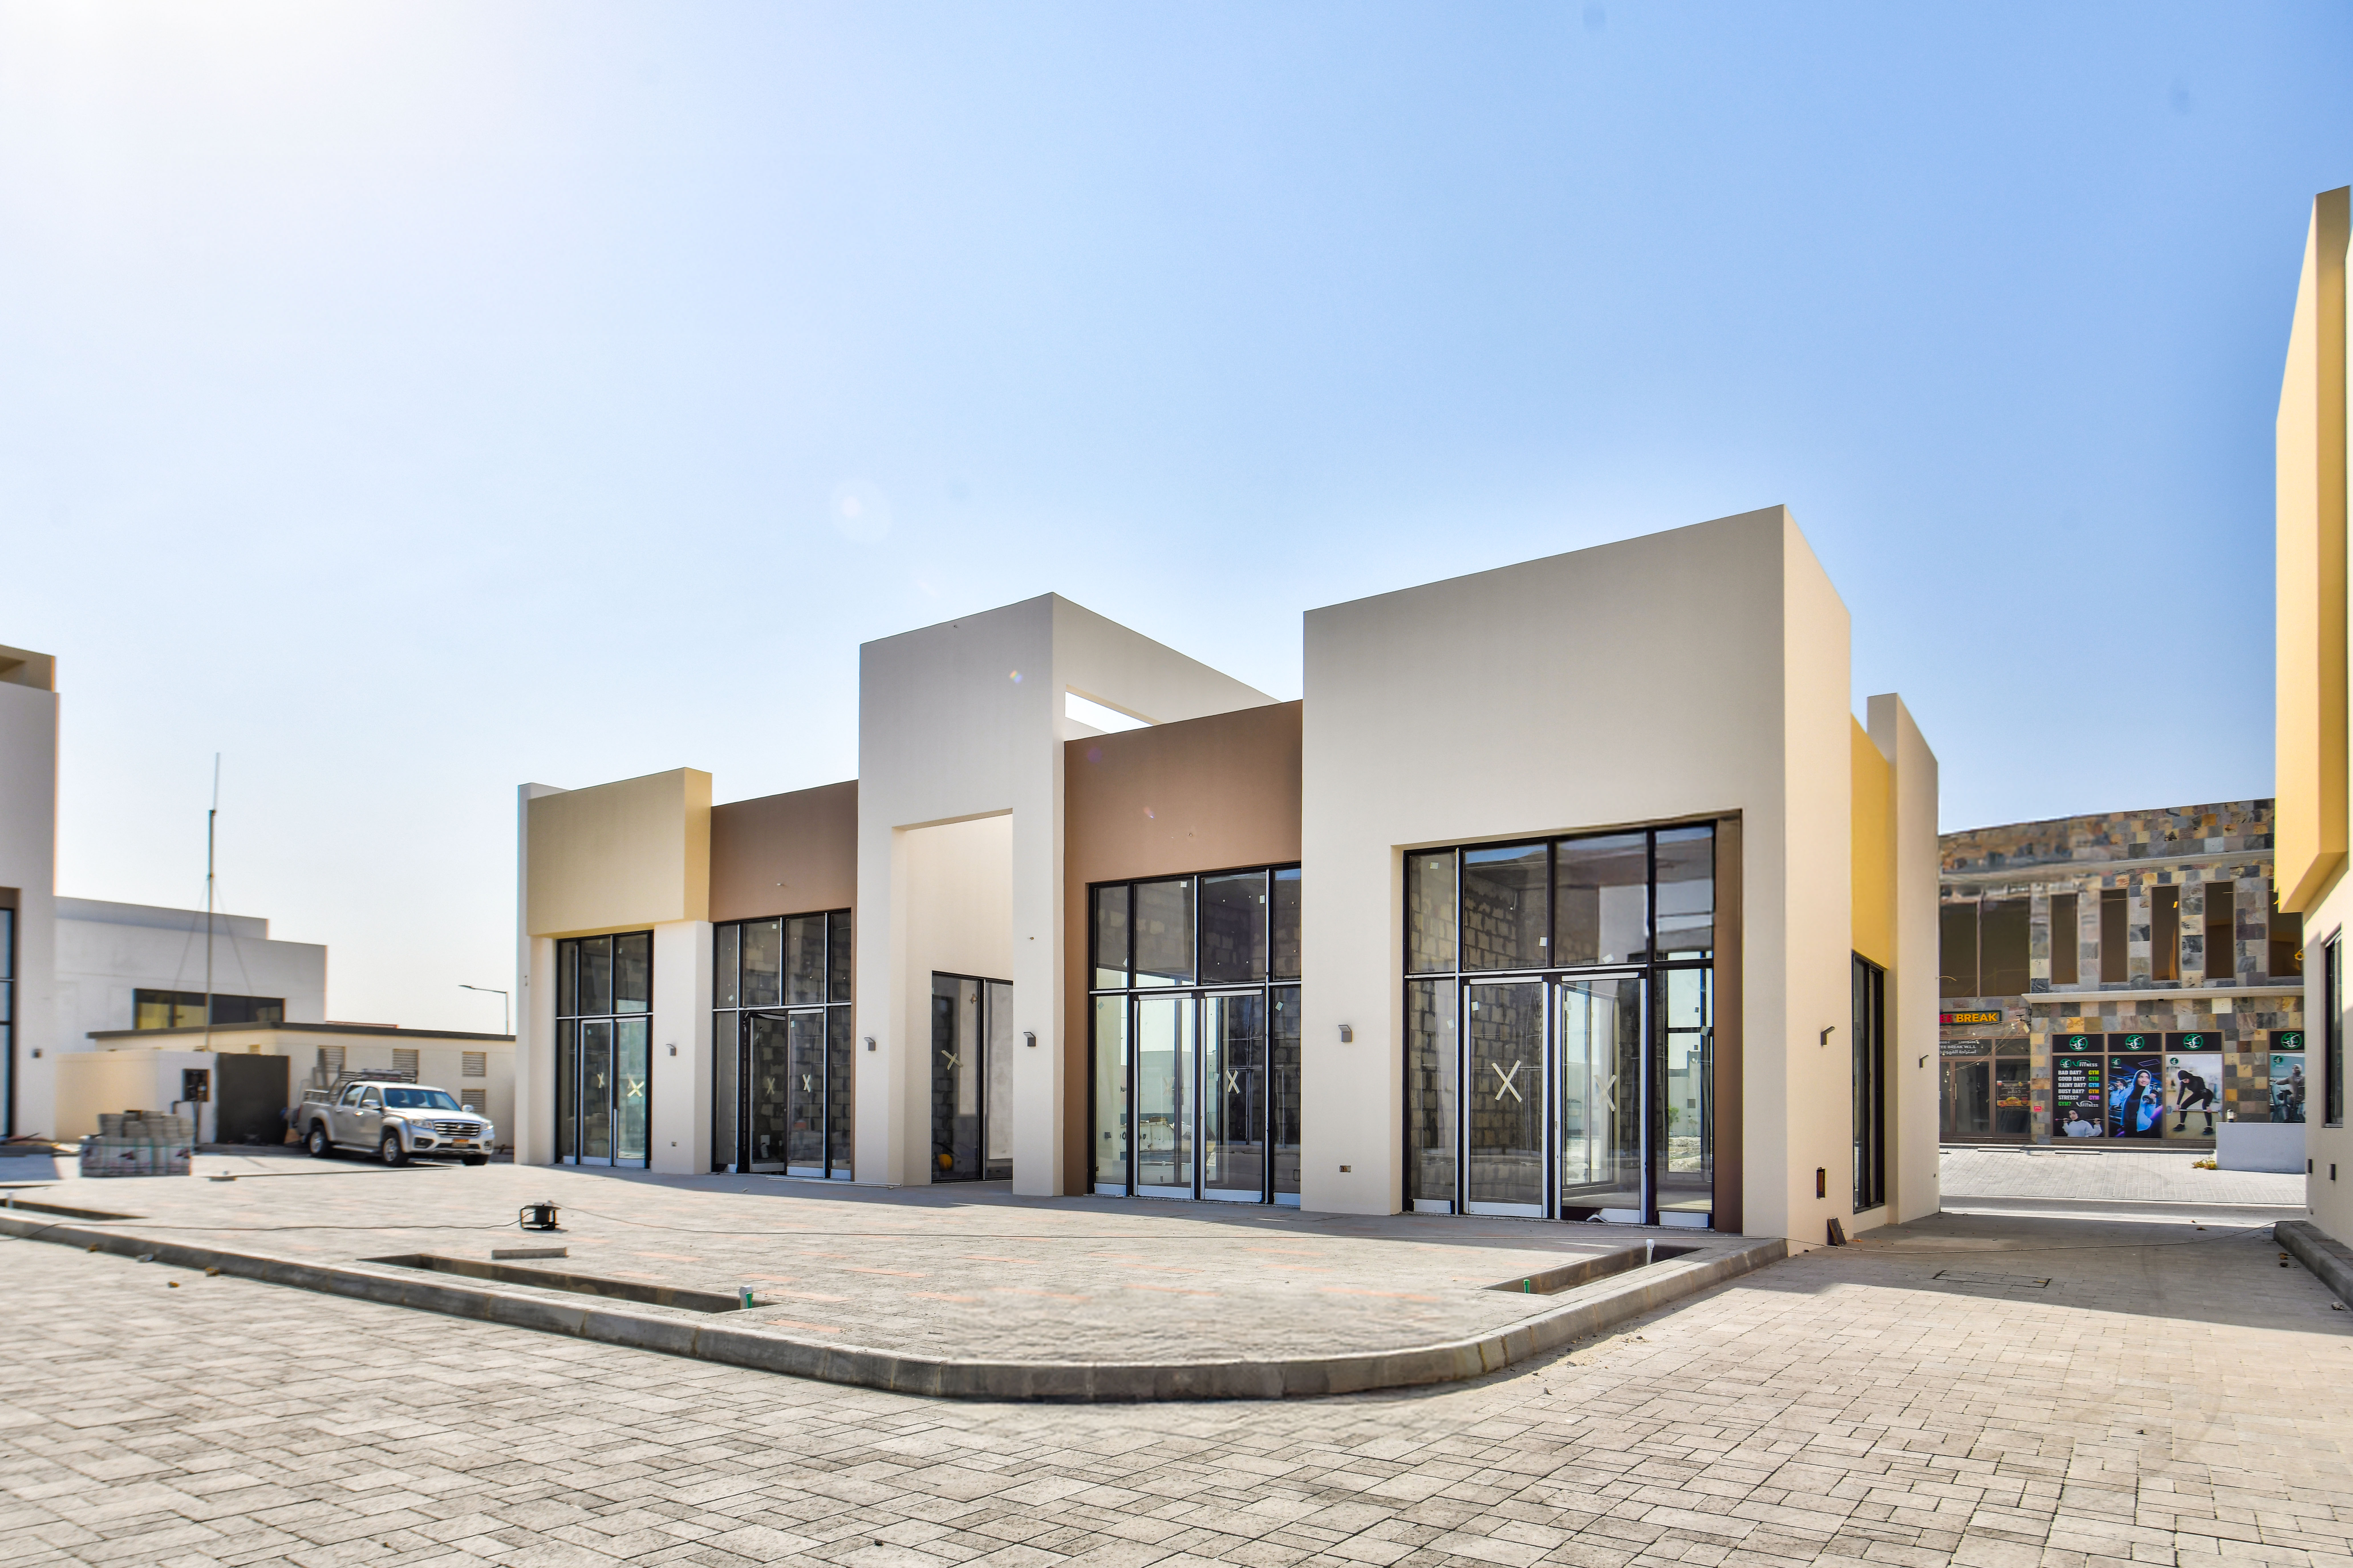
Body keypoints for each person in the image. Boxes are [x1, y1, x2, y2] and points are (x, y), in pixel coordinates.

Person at [2173, 1066, 2216, 1134]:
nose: (2185, 1082)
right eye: (2183, 1081)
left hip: (2207, 1094)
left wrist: (2208, 1105)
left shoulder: (2199, 1080)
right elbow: (2182, 1093)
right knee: (2184, 1106)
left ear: (2189, 1077)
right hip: (2197, 1094)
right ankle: (2182, 1124)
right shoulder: (2184, 1083)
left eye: (2186, 1080)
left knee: (2205, 1107)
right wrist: (2178, 1104)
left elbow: (2204, 1092)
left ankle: (2210, 1127)